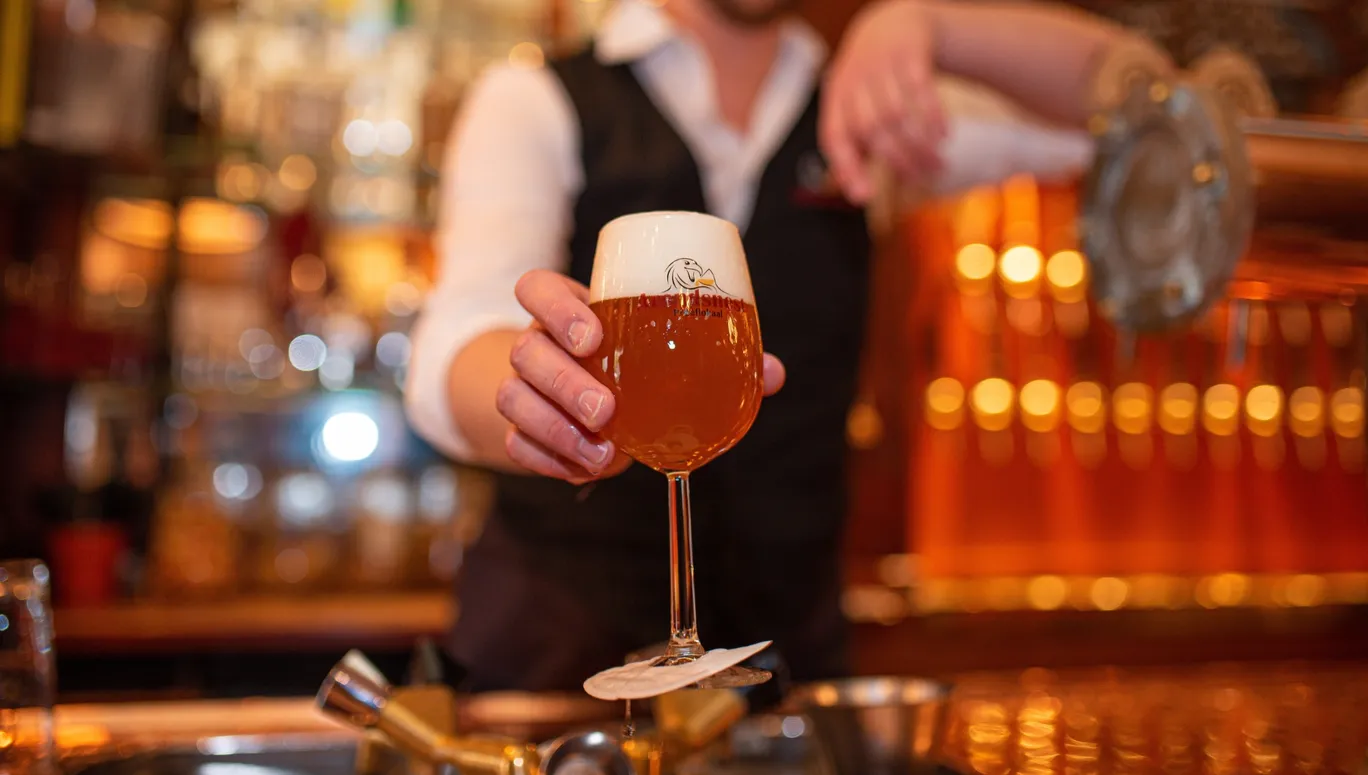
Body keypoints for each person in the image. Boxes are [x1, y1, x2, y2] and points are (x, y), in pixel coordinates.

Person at [406, 0, 1135, 692]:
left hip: (785, 671)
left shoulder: (869, 113)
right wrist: (543, 398)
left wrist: (930, 25)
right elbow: (453, 343)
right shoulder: (535, 99)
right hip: (558, 671)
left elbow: (1132, 108)